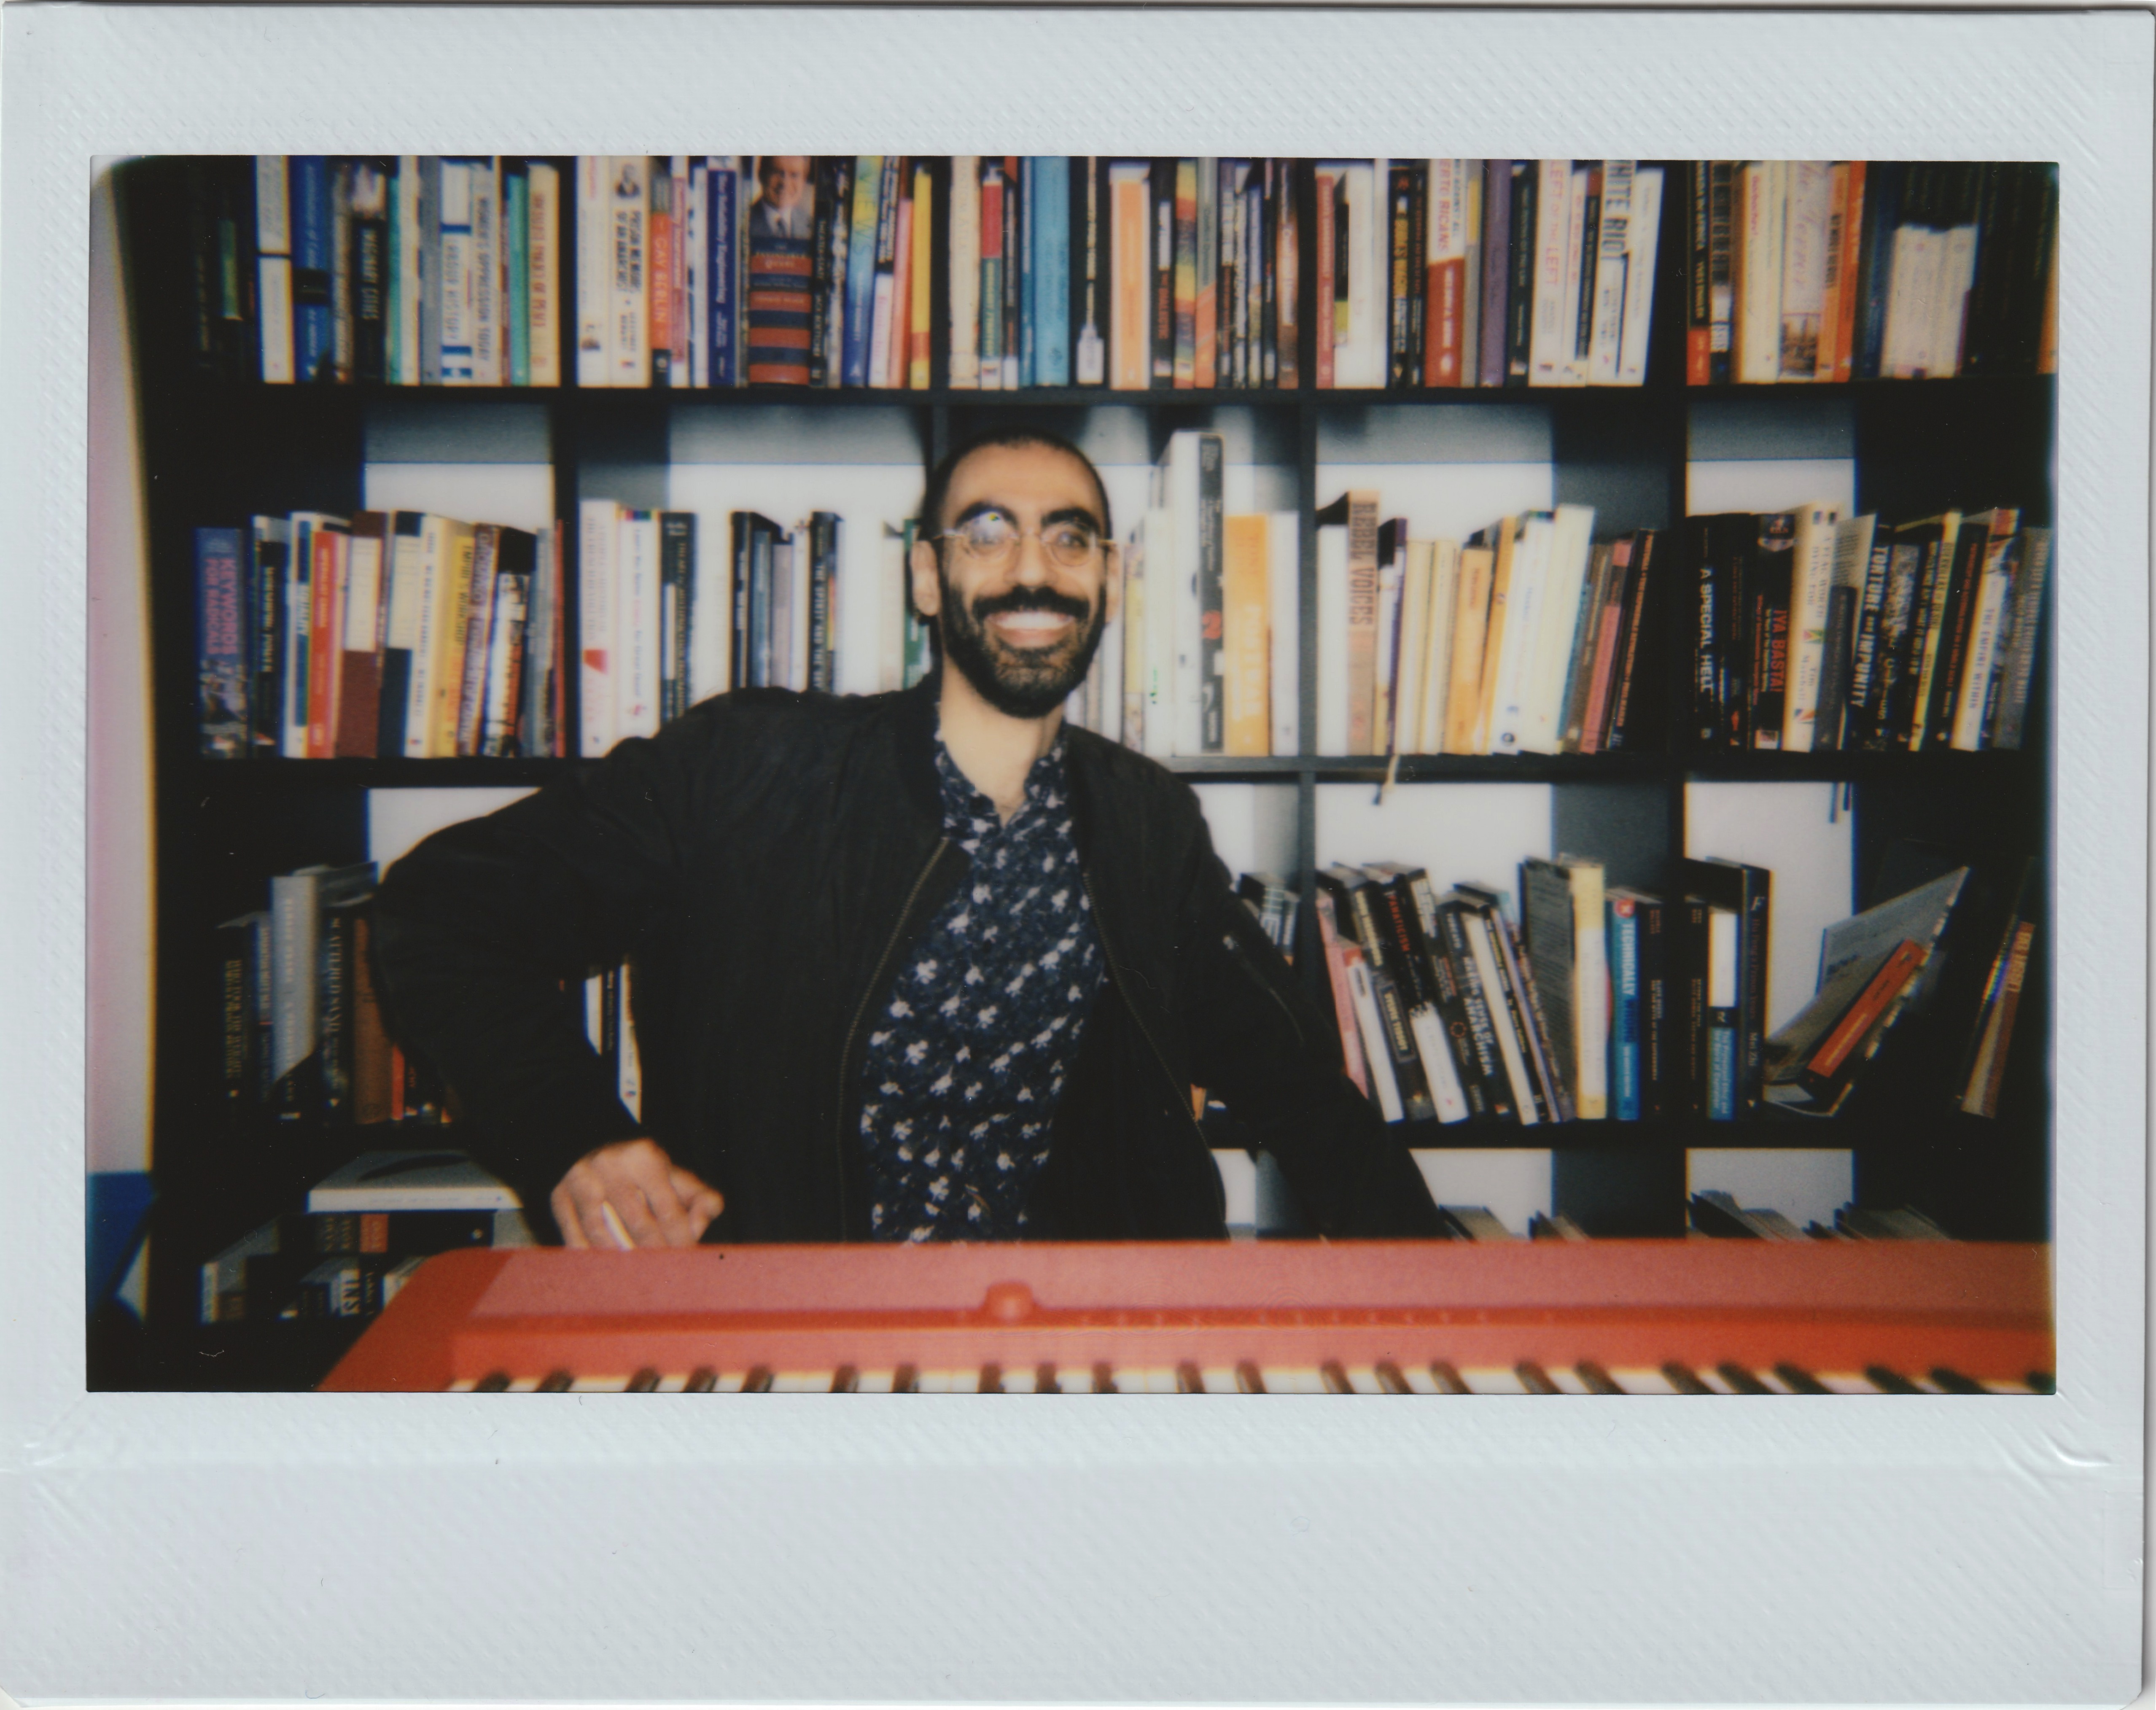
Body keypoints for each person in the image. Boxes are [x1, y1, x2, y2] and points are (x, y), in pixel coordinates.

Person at [371, 427, 1444, 1248]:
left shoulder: (1146, 819)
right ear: (928, 577)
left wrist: (1447, 1287)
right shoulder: (745, 768)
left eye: (1069, 536)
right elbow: (440, 912)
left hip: (1066, 1357)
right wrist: (575, 1136)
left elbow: (1294, 1078)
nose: (1033, 568)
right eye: (988, 531)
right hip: (798, 1362)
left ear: (1108, 581)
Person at [748, 155, 813, 241]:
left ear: (803, 181)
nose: (785, 183)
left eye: (794, 175)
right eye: (777, 172)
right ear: (761, 175)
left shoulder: (810, 225)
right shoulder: (744, 221)